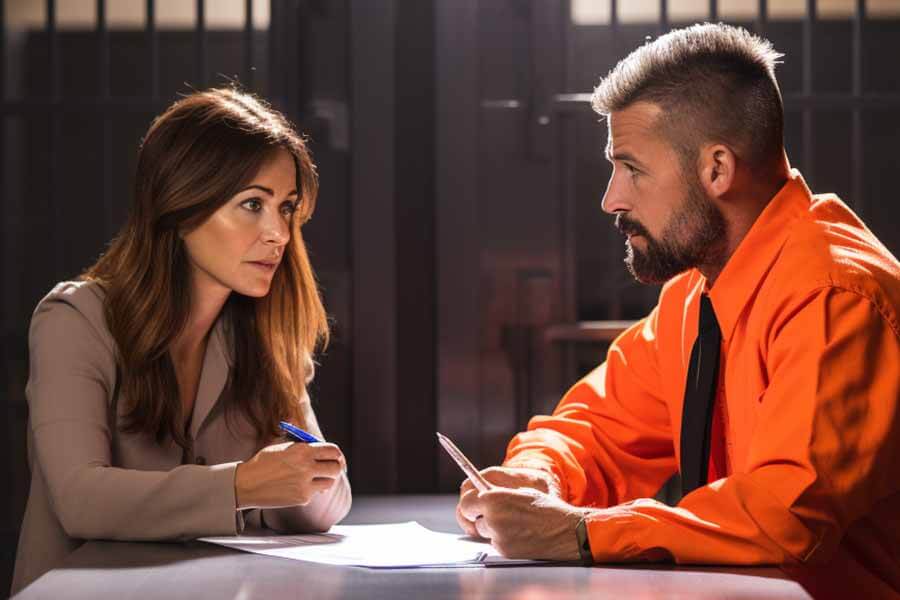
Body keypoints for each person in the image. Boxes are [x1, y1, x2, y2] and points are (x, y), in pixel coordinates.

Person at [456, 23, 899, 597]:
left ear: (717, 169)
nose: (610, 198)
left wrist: (582, 534)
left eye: (632, 168)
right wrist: (539, 476)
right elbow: (596, 427)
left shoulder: (834, 296)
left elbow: (784, 515)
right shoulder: (694, 297)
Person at [12, 88, 352, 594]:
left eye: (287, 207)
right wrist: (242, 485)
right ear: (181, 204)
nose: (279, 232)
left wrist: (314, 471)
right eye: (253, 204)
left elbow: (320, 511)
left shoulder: (265, 330)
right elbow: (80, 498)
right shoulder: (75, 319)